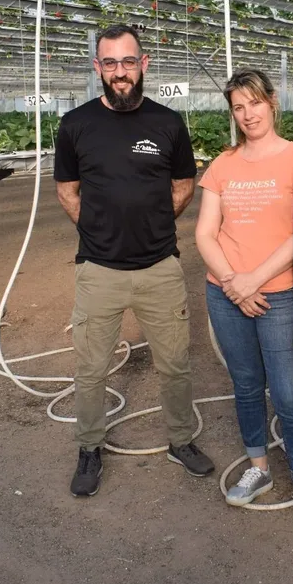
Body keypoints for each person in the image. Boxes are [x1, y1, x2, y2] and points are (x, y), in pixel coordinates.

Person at [54, 24, 214, 497]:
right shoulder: (76, 124)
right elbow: (67, 191)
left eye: (128, 62)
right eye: (110, 63)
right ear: (97, 68)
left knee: (176, 364)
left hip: (160, 268)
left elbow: (183, 186)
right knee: (90, 368)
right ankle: (89, 447)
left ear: (143, 65)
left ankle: (181, 440)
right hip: (98, 270)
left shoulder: (167, 123)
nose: (119, 72)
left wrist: (152, 224)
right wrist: (99, 231)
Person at [195, 69, 293, 542]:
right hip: (227, 294)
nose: (247, 114)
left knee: (290, 394)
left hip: (280, 294)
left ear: (272, 102)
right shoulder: (223, 164)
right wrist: (234, 282)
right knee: (247, 385)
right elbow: (204, 233)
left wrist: (254, 279)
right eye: (238, 107)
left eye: (254, 103)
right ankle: (259, 468)